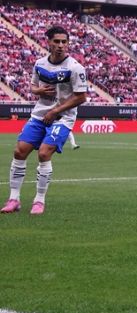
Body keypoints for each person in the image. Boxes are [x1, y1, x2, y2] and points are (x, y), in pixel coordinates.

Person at [2, 26, 88, 215]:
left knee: (43, 153)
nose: (60, 45)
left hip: (62, 118)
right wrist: (37, 91)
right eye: (56, 41)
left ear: (68, 44)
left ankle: (39, 201)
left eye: (64, 42)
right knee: (19, 151)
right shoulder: (40, 63)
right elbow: (33, 86)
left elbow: (81, 97)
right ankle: (13, 199)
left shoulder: (75, 67)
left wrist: (56, 110)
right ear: (48, 42)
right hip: (40, 114)